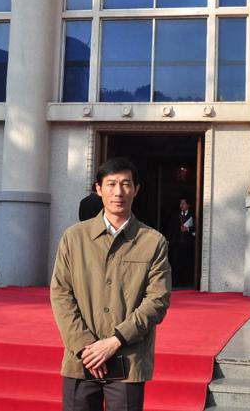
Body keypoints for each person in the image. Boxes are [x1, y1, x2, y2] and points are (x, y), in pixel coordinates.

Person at [50, 157, 171, 411]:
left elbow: (157, 301)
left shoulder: (153, 242)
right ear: (98, 189)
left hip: (129, 359)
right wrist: (85, 346)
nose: (118, 192)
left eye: (126, 184)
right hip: (80, 360)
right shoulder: (74, 238)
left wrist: (115, 340)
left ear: (136, 190)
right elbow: (61, 294)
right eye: (111, 184)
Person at [168, 196, 196, 288]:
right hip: (176, 243)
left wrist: (187, 229)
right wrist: (169, 240)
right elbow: (170, 228)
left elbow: (197, 227)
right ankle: (175, 283)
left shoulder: (193, 214)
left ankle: (185, 283)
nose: (181, 205)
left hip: (187, 244)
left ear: (188, 205)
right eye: (181, 203)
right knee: (175, 263)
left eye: (183, 203)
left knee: (186, 263)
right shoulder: (175, 215)